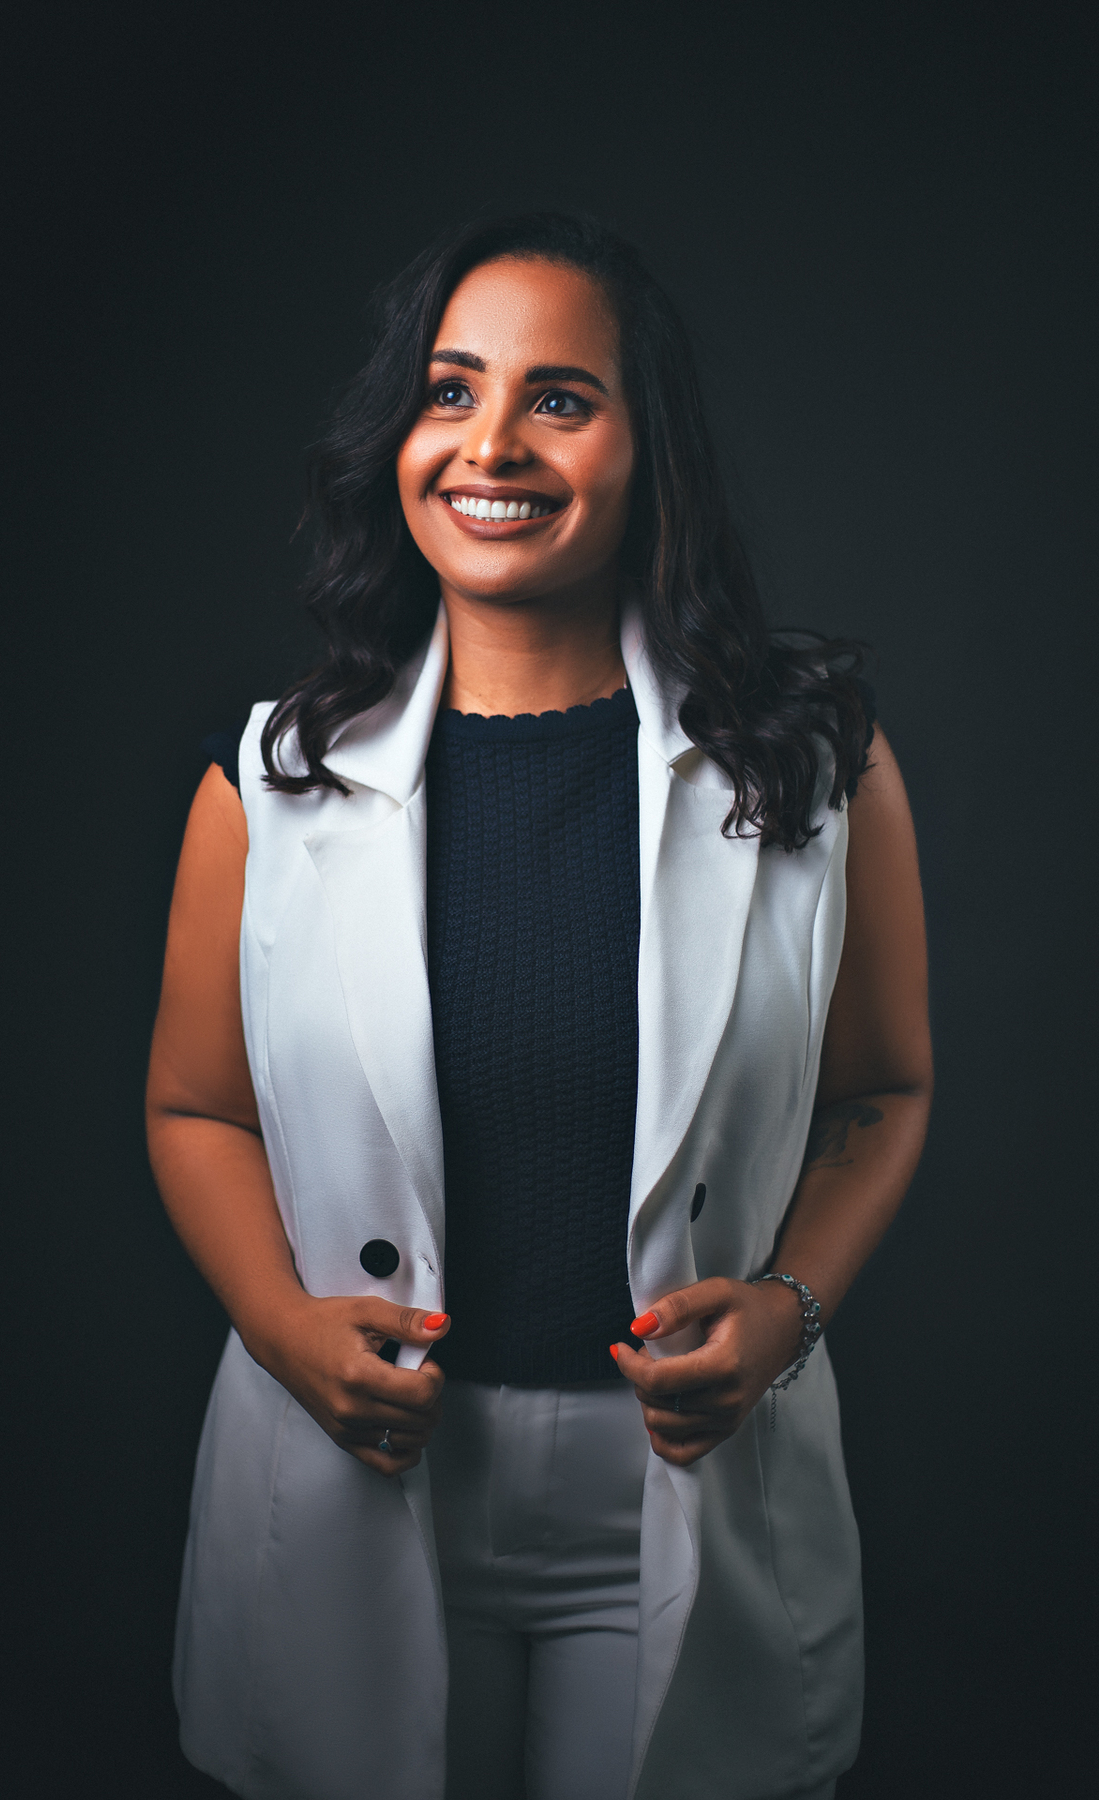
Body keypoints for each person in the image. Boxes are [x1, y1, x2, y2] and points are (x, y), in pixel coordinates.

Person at [146, 212, 931, 1800]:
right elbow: (196, 1107)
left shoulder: (811, 767)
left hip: (681, 1493)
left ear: (650, 449)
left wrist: (789, 1312)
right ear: (400, 436)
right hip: (360, 1476)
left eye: (559, 398)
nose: (491, 443)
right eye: (450, 391)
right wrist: (285, 1331)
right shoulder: (269, 782)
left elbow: (882, 1093)